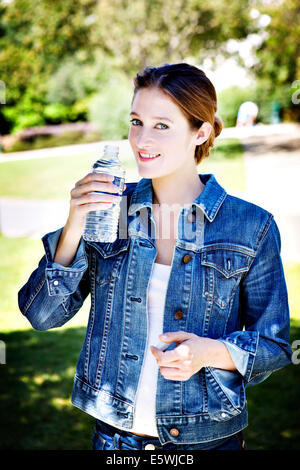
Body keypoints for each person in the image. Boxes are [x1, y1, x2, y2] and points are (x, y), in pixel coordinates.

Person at [18, 63, 292, 451]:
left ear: (201, 132)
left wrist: (208, 352)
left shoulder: (251, 226)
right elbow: (41, 315)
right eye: (135, 121)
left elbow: (275, 345)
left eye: (162, 125)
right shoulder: (110, 212)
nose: (141, 139)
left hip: (210, 441)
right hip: (115, 443)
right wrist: (74, 223)